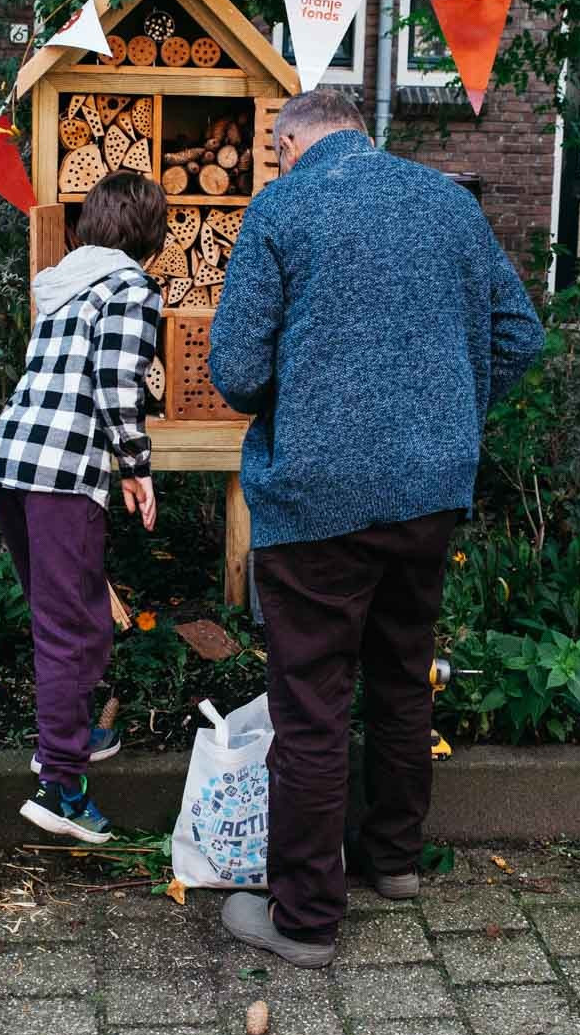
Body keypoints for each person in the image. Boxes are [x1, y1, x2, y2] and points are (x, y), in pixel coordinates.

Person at [208, 91, 544, 966]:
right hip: (429, 491)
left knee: (313, 707)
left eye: (277, 149)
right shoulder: (446, 202)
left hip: (316, 499)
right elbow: (519, 333)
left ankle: (306, 919)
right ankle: (394, 862)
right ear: (361, 128)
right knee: (402, 677)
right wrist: (452, 416)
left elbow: (238, 372)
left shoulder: (281, 207)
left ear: (290, 143)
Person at [0, 171, 164, 844]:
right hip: (62, 474)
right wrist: (138, 468)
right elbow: (118, 387)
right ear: (150, 234)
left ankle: (68, 737)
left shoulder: (62, 285)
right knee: (75, 630)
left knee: (62, 616)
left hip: (13, 463)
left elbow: (66, 381)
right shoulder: (131, 289)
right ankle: (61, 784)